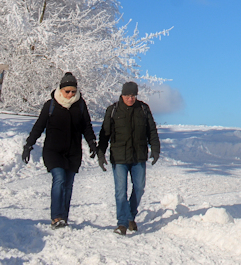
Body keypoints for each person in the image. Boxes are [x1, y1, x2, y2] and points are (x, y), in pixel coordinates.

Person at [22, 72, 98, 228]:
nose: (70, 94)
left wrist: (92, 143)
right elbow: (39, 126)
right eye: (67, 91)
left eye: (73, 92)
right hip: (53, 151)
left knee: (68, 185)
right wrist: (29, 145)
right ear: (61, 90)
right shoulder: (51, 105)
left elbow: (86, 126)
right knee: (59, 179)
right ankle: (56, 217)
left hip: (73, 152)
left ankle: (64, 217)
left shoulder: (81, 106)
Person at [97, 81, 160, 236]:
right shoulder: (113, 110)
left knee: (139, 188)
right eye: (127, 95)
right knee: (120, 191)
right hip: (119, 157)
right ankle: (122, 223)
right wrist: (100, 153)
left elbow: (151, 130)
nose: (130, 99)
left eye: (133, 96)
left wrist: (155, 148)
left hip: (138, 156)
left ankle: (131, 215)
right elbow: (104, 134)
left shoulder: (143, 109)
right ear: (122, 95)